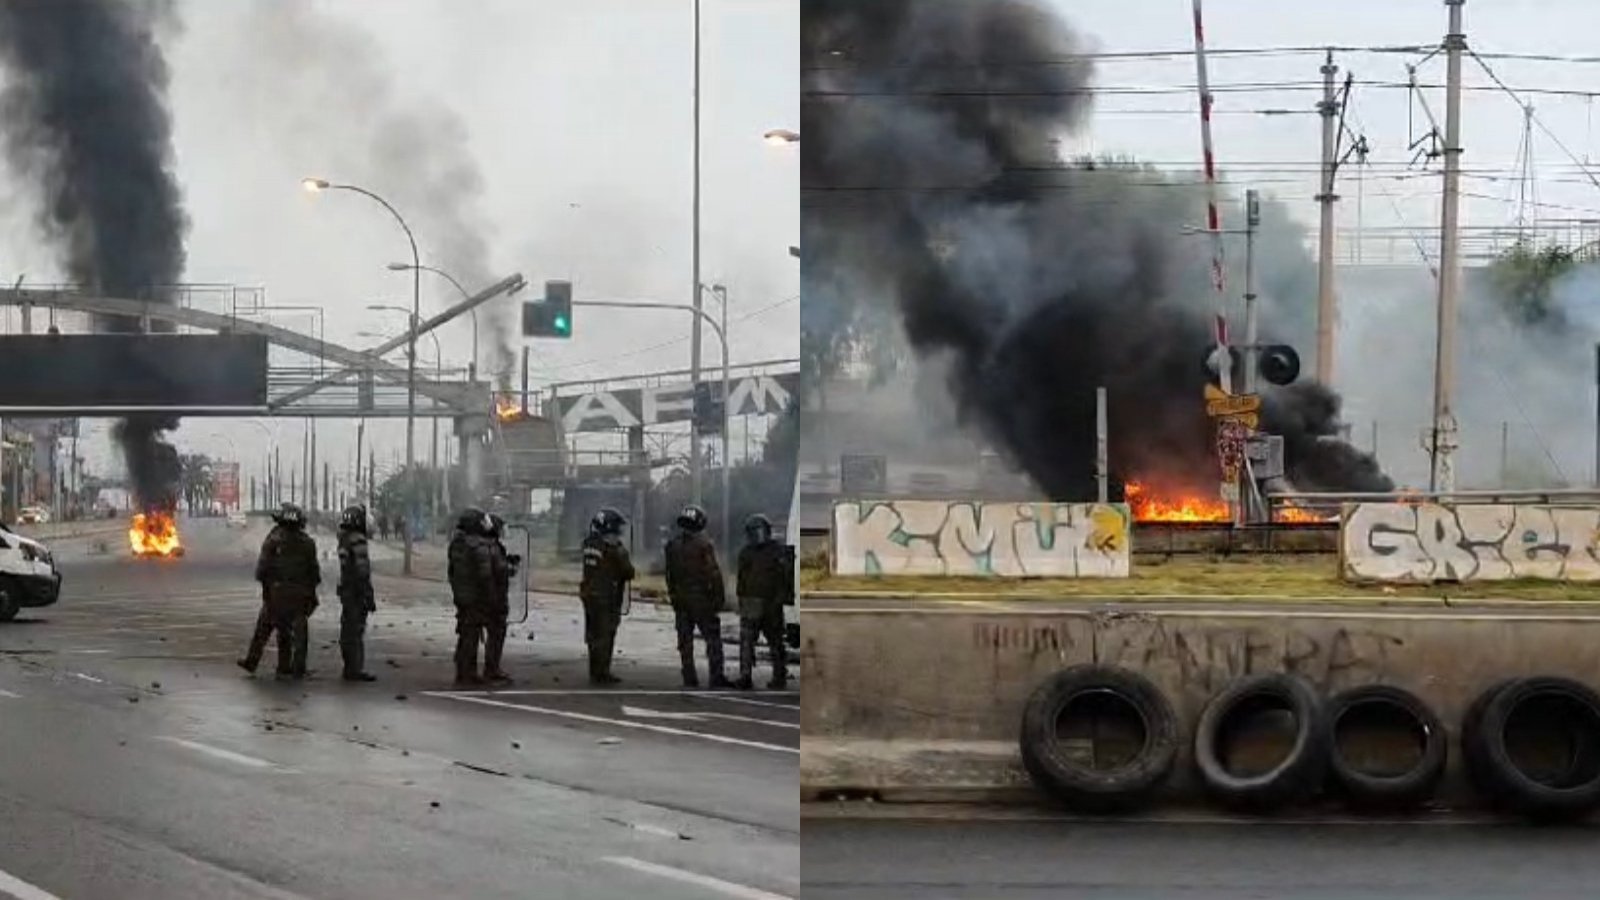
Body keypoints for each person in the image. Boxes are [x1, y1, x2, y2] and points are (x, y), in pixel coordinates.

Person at [240, 502, 320, 679]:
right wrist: (311, 594)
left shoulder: (273, 540)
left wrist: (266, 591)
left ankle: (253, 662)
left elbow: (262, 569)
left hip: (276, 593)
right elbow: (314, 572)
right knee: (299, 633)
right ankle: (296, 668)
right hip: (299, 595)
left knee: (264, 629)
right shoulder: (308, 543)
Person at [663, 504, 730, 689]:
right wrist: (719, 598)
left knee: (685, 641)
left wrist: (674, 596)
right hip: (702, 600)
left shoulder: (672, 545)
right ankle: (716, 676)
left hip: (681, 600)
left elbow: (669, 575)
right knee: (713, 639)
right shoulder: (704, 545)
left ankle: (689, 677)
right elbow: (713, 573)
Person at [735, 513, 791, 690]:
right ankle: (745, 676)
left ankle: (779, 676)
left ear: (767, 531)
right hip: (752, 602)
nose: (757, 535)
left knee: (775, 643)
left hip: (772, 603)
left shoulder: (778, 551)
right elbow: (741, 579)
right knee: (746, 642)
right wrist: (742, 600)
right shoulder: (746, 553)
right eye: (753, 532)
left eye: (760, 531)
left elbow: (785, 579)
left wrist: (780, 600)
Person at [579, 507, 634, 685]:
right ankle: (602, 673)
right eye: (617, 528)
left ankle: (594, 671)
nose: (619, 532)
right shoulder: (613, 549)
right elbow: (628, 571)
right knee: (605, 635)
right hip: (607, 597)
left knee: (593, 635)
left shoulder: (589, 544)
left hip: (589, 595)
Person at [448, 507, 496, 687]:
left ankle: (463, 670)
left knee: (465, 633)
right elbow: (485, 576)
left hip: (462, 595)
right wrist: (491, 597)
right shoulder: (477, 545)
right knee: (472, 634)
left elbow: (452, 572)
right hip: (476, 597)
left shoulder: (457, 544)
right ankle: (468, 673)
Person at [336, 504, 378, 682]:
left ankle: (349, 667)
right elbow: (362, 570)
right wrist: (369, 595)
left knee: (347, 630)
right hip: (356, 592)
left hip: (346, 590)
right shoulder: (358, 540)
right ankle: (355, 669)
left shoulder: (343, 539)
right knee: (356, 631)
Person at [482, 513, 517, 685]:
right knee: (496, 635)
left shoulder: (491, 547)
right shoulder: (493, 548)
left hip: (491, 598)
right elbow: (500, 572)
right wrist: (511, 566)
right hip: (495, 599)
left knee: (495, 635)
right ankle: (492, 669)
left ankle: (492, 668)